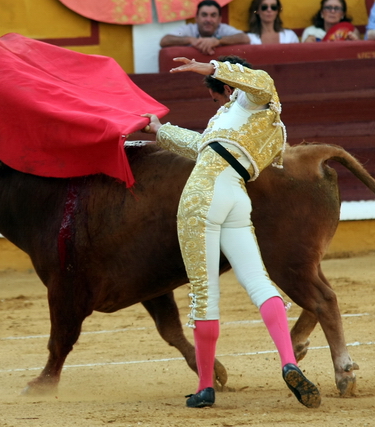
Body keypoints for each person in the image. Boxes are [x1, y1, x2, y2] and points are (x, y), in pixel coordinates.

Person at [141, 55, 321, 410]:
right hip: (236, 195)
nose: (218, 106)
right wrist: (159, 130)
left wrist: (209, 67)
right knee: (259, 281)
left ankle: (205, 386)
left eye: (218, 97)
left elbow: (257, 81)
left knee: (204, 294)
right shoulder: (258, 122)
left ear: (228, 88)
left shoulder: (253, 95)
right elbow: (199, 146)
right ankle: (288, 361)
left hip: (204, 194)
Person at [159, 0, 250, 55]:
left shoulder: (223, 28)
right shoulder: (189, 29)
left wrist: (217, 40)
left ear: (219, 19)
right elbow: (164, 40)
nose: (208, 19)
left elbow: (244, 38)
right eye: (204, 15)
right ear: (197, 18)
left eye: (213, 15)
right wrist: (190, 40)